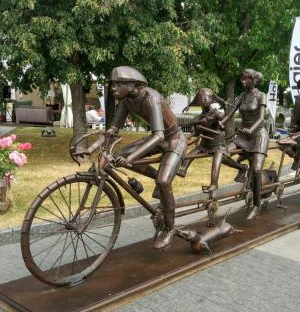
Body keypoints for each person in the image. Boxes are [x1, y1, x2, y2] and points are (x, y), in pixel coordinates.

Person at [105, 66, 187, 250]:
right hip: (158, 139)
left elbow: (159, 135)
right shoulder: (126, 100)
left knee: (164, 181)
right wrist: (96, 143)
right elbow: (113, 129)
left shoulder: (152, 98)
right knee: (119, 156)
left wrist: (132, 157)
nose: (113, 88)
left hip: (174, 139)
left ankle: (169, 228)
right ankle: (162, 175)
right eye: (113, 84)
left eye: (118, 84)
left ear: (132, 84)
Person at [177, 88, 248, 196]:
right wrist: (197, 127)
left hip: (218, 145)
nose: (203, 101)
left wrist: (216, 120)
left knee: (217, 162)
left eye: (205, 98)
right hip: (204, 145)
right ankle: (183, 168)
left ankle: (214, 183)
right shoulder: (201, 116)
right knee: (190, 155)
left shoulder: (215, 113)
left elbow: (221, 117)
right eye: (200, 99)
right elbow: (193, 123)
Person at [220, 69, 268, 219]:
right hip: (243, 136)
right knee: (221, 154)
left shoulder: (261, 96)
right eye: (242, 78)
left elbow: (261, 118)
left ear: (254, 80)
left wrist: (251, 130)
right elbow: (230, 112)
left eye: (246, 79)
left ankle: (256, 205)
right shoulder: (241, 96)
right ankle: (242, 168)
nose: (243, 81)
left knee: (257, 169)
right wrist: (221, 122)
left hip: (258, 134)